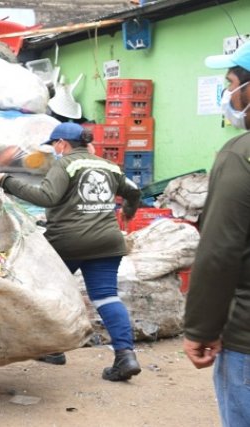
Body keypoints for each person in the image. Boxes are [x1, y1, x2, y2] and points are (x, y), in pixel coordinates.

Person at [0, 122, 142, 381]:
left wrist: (7, 181)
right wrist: (128, 212)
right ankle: (125, 356)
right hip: (107, 241)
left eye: (54, 146)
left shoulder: (65, 164)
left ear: (62, 143)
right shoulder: (107, 165)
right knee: (106, 297)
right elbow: (134, 191)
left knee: (45, 290)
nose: (54, 151)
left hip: (68, 242)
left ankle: (53, 349)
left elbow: (46, 197)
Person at [183, 41, 250, 426]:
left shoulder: (240, 155)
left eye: (231, 83)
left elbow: (220, 251)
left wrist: (201, 329)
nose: (229, 95)